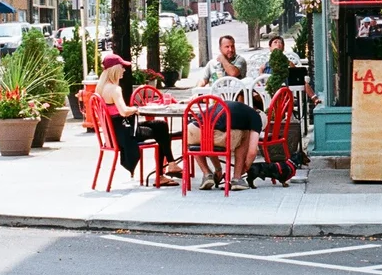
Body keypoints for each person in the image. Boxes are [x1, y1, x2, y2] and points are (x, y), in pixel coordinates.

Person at [93, 55, 176, 185]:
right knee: (161, 130)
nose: (124, 70)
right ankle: (162, 174)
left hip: (114, 133)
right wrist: (136, 109)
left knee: (160, 125)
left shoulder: (100, 88)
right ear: (115, 69)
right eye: (122, 67)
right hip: (125, 133)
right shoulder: (115, 89)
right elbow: (123, 111)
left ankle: (171, 165)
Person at [189, 96, 265, 190]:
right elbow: (252, 152)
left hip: (195, 131)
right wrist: (245, 169)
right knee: (246, 134)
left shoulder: (229, 105)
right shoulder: (256, 117)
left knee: (202, 134)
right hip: (219, 137)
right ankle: (237, 178)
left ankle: (207, 174)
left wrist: (218, 169)